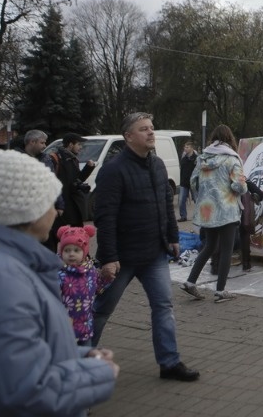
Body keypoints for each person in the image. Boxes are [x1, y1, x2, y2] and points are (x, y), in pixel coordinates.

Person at [0, 150, 118, 416]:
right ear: (33, 211)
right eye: (51, 202)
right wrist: (97, 374)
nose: (56, 212)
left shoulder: (8, 267)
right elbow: (17, 391)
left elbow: (12, 354)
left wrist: (79, 357)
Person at [91, 112, 200, 382]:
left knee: (163, 306)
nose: (151, 132)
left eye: (151, 128)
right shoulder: (113, 170)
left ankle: (169, 363)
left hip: (154, 254)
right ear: (128, 136)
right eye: (143, 129)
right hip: (121, 258)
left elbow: (166, 205)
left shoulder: (158, 165)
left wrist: (173, 237)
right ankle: (76, 365)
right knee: (100, 311)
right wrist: (109, 258)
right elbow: (105, 217)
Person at [179, 125, 246, 303]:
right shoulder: (232, 159)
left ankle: (190, 281)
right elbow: (240, 186)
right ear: (229, 138)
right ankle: (221, 290)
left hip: (207, 211)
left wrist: (205, 195)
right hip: (227, 210)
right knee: (226, 249)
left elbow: (193, 182)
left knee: (209, 246)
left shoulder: (202, 158)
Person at [58, 224, 109, 346]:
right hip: (63, 327)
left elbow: (97, 288)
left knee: (86, 353)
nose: (71, 254)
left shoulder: (90, 271)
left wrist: (106, 278)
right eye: (67, 250)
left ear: (84, 252)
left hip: (85, 325)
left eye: (76, 250)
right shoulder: (58, 273)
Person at [44, 133, 96, 252]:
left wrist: (88, 168)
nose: (80, 147)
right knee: (55, 235)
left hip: (72, 203)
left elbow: (76, 180)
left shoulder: (73, 159)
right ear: (70, 145)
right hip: (60, 204)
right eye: (79, 144)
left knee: (77, 233)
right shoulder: (55, 158)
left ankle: (80, 258)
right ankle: (53, 259)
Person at [178, 141, 198, 221]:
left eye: (187, 147)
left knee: (197, 200)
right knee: (181, 200)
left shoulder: (197, 159)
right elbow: (181, 170)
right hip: (184, 183)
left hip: (194, 183)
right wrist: (181, 181)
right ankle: (183, 216)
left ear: (192, 148)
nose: (185, 149)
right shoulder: (183, 158)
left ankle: (198, 216)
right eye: (185, 147)